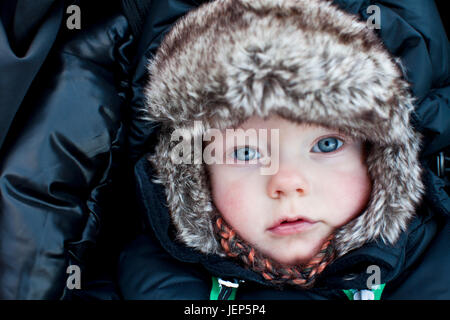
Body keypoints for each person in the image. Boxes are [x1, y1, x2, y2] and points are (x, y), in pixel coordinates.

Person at [118, 0, 450, 300]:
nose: (288, 182)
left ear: (383, 160)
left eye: (327, 144)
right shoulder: (145, 280)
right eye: (246, 153)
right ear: (197, 178)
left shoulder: (436, 265)